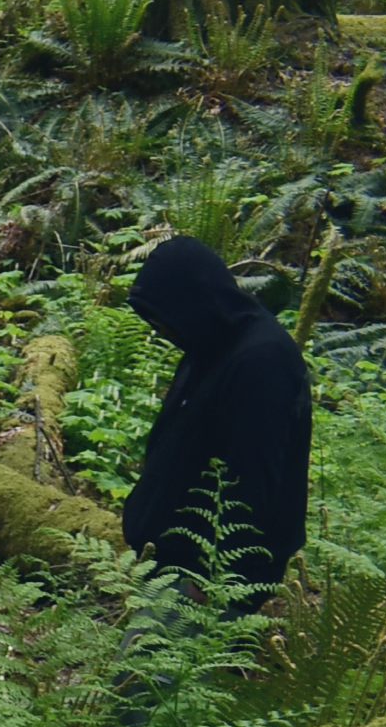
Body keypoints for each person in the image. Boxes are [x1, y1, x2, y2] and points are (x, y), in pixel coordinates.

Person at [121, 233, 312, 596]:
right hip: (170, 564)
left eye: (160, 318)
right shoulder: (208, 345)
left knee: (140, 653)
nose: (158, 329)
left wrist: (208, 579)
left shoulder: (263, 363)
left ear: (189, 301)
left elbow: (251, 483)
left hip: (211, 580)